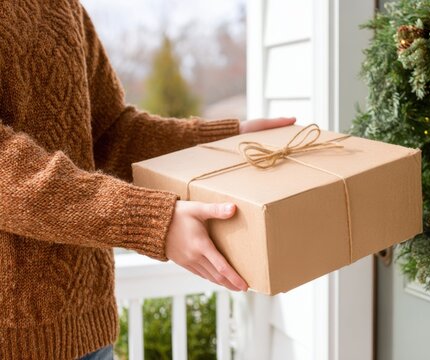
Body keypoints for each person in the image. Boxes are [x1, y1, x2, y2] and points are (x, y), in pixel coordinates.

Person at [0, 1, 295, 358]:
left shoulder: (62, 6)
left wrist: (221, 142)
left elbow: (110, 132)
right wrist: (151, 220)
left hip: (89, 329)